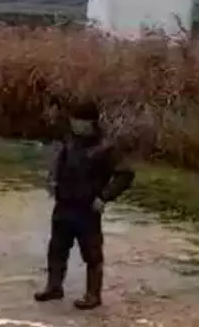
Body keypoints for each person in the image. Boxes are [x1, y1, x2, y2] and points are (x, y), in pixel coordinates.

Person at [34, 101, 135, 310]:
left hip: (88, 208)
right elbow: (58, 162)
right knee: (57, 248)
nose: (75, 125)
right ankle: (54, 287)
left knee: (91, 253)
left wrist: (104, 197)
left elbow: (124, 175)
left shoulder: (105, 147)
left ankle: (93, 295)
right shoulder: (69, 141)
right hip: (64, 204)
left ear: (91, 123)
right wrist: (53, 181)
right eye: (73, 121)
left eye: (80, 122)